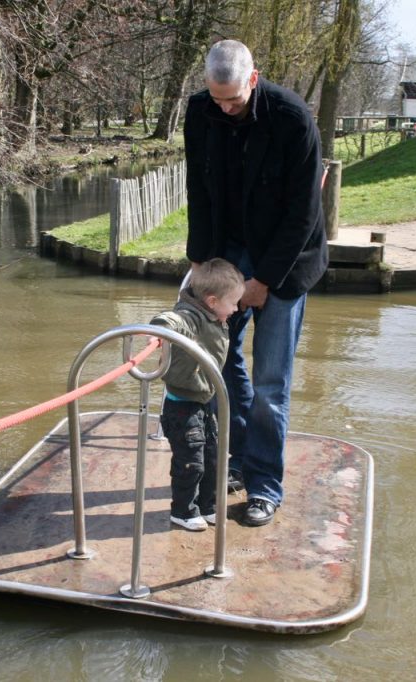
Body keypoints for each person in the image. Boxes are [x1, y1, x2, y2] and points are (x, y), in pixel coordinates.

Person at [183, 39, 328, 527]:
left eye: (233, 100)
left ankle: (265, 485)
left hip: (285, 257)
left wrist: (266, 279)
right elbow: (199, 189)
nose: (223, 109)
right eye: (216, 98)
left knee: (271, 381)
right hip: (227, 252)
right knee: (220, 361)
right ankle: (241, 458)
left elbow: (305, 212)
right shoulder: (200, 111)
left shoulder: (292, 118)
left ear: (254, 78)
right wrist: (200, 261)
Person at [151, 258, 245, 532]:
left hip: (203, 401)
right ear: (213, 301)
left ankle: (208, 505)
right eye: (234, 303)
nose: (237, 309)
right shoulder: (192, 316)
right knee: (191, 462)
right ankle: (182, 510)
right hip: (182, 406)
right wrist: (159, 329)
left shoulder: (214, 314)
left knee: (213, 458)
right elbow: (174, 320)